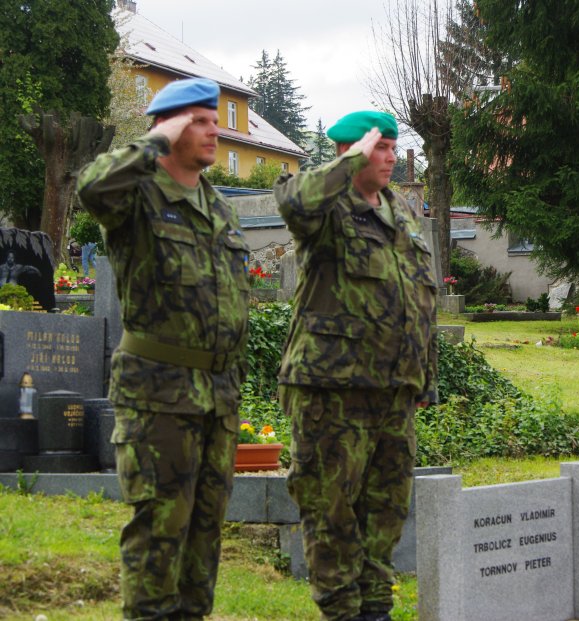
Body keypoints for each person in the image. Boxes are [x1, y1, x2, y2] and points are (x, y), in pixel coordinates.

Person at [76, 77, 250, 620]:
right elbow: (91, 188)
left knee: (205, 535)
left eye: (215, 120)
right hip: (158, 396)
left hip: (218, 398)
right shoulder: (137, 194)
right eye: (200, 121)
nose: (215, 130)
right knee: (159, 531)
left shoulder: (218, 207)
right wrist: (154, 141)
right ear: (169, 126)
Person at [274, 111, 437, 621]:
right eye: (379, 148)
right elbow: (294, 202)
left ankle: (375, 609)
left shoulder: (400, 213)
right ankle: (342, 612)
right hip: (332, 392)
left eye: (391, 147)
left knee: (386, 511)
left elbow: (419, 298)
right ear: (352, 152)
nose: (389, 157)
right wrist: (348, 162)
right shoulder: (326, 208)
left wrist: (424, 379)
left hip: (394, 392)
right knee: (331, 510)